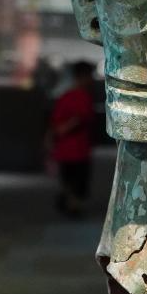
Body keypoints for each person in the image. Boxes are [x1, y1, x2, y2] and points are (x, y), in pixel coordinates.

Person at [49, 61, 96, 218]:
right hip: (76, 150)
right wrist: (68, 127)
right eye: (89, 76)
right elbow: (78, 119)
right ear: (81, 76)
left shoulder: (66, 96)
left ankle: (69, 202)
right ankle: (71, 205)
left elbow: (54, 123)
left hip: (70, 150)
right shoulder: (80, 97)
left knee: (70, 182)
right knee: (76, 183)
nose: (91, 80)